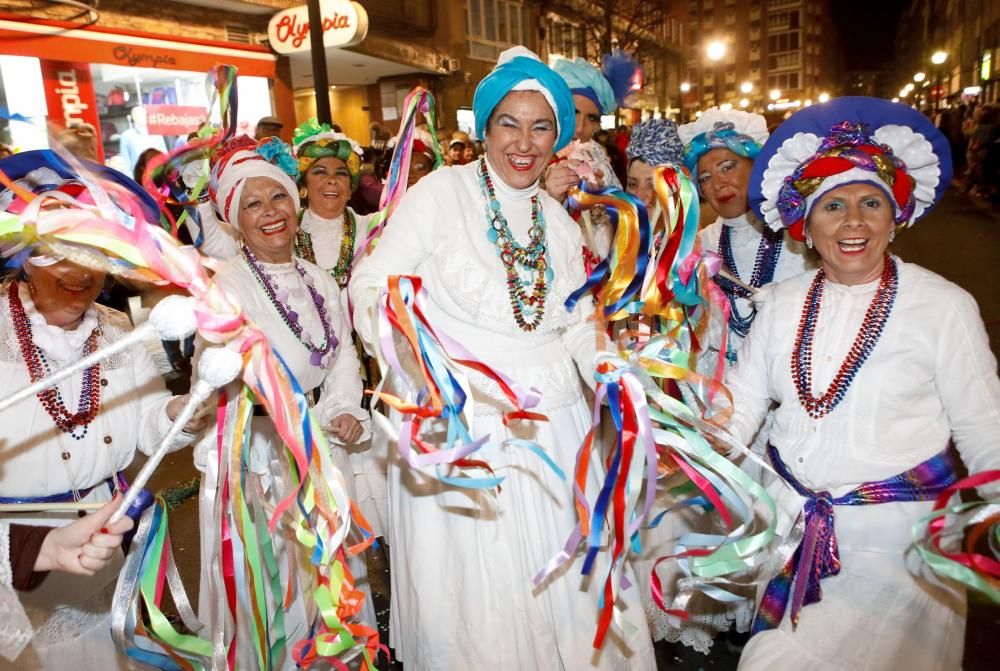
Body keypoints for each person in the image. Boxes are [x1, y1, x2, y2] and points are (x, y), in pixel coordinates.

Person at [348, 45, 656, 671]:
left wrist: (614, 371)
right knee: (482, 603)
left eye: (541, 126)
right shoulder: (441, 195)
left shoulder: (561, 224)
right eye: (508, 123)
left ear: (558, 137)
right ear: (484, 129)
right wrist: (418, 360)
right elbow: (372, 285)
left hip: (556, 437)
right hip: (465, 432)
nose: (525, 141)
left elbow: (574, 321)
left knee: (566, 594)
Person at [731, 96, 1000, 670]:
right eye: (833, 206)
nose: (853, 220)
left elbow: (985, 430)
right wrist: (671, 444)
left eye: (870, 202)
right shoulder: (778, 304)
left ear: (893, 217)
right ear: (807, 227)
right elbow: (740, 406)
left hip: (897, 555)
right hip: (790, 532)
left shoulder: (944, 306)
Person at [0, 154, 203, 670]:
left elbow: (149, 417)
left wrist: (182, 411)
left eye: (92, 253)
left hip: (103, 547)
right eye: (60, 254)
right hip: (17, 559)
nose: (80, 272)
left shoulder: (124, 325)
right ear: (25, 257)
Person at [196, 135, 374, 667]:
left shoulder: (317, 278)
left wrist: (343, 407)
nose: (269, 213)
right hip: (262, 469)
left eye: (276, 198)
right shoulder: (226, 289)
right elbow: (212, 384)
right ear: (234, 218)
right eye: (252, 203)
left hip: (321, 456)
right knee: (278, 597)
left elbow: (342, 354)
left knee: (333, 586)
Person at [678, 108, 812, 374]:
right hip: (726, 395)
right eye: (705, 178)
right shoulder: (699, 246)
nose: (718, 183)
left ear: (757, 166)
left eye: (728, 167)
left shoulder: (801, 235)